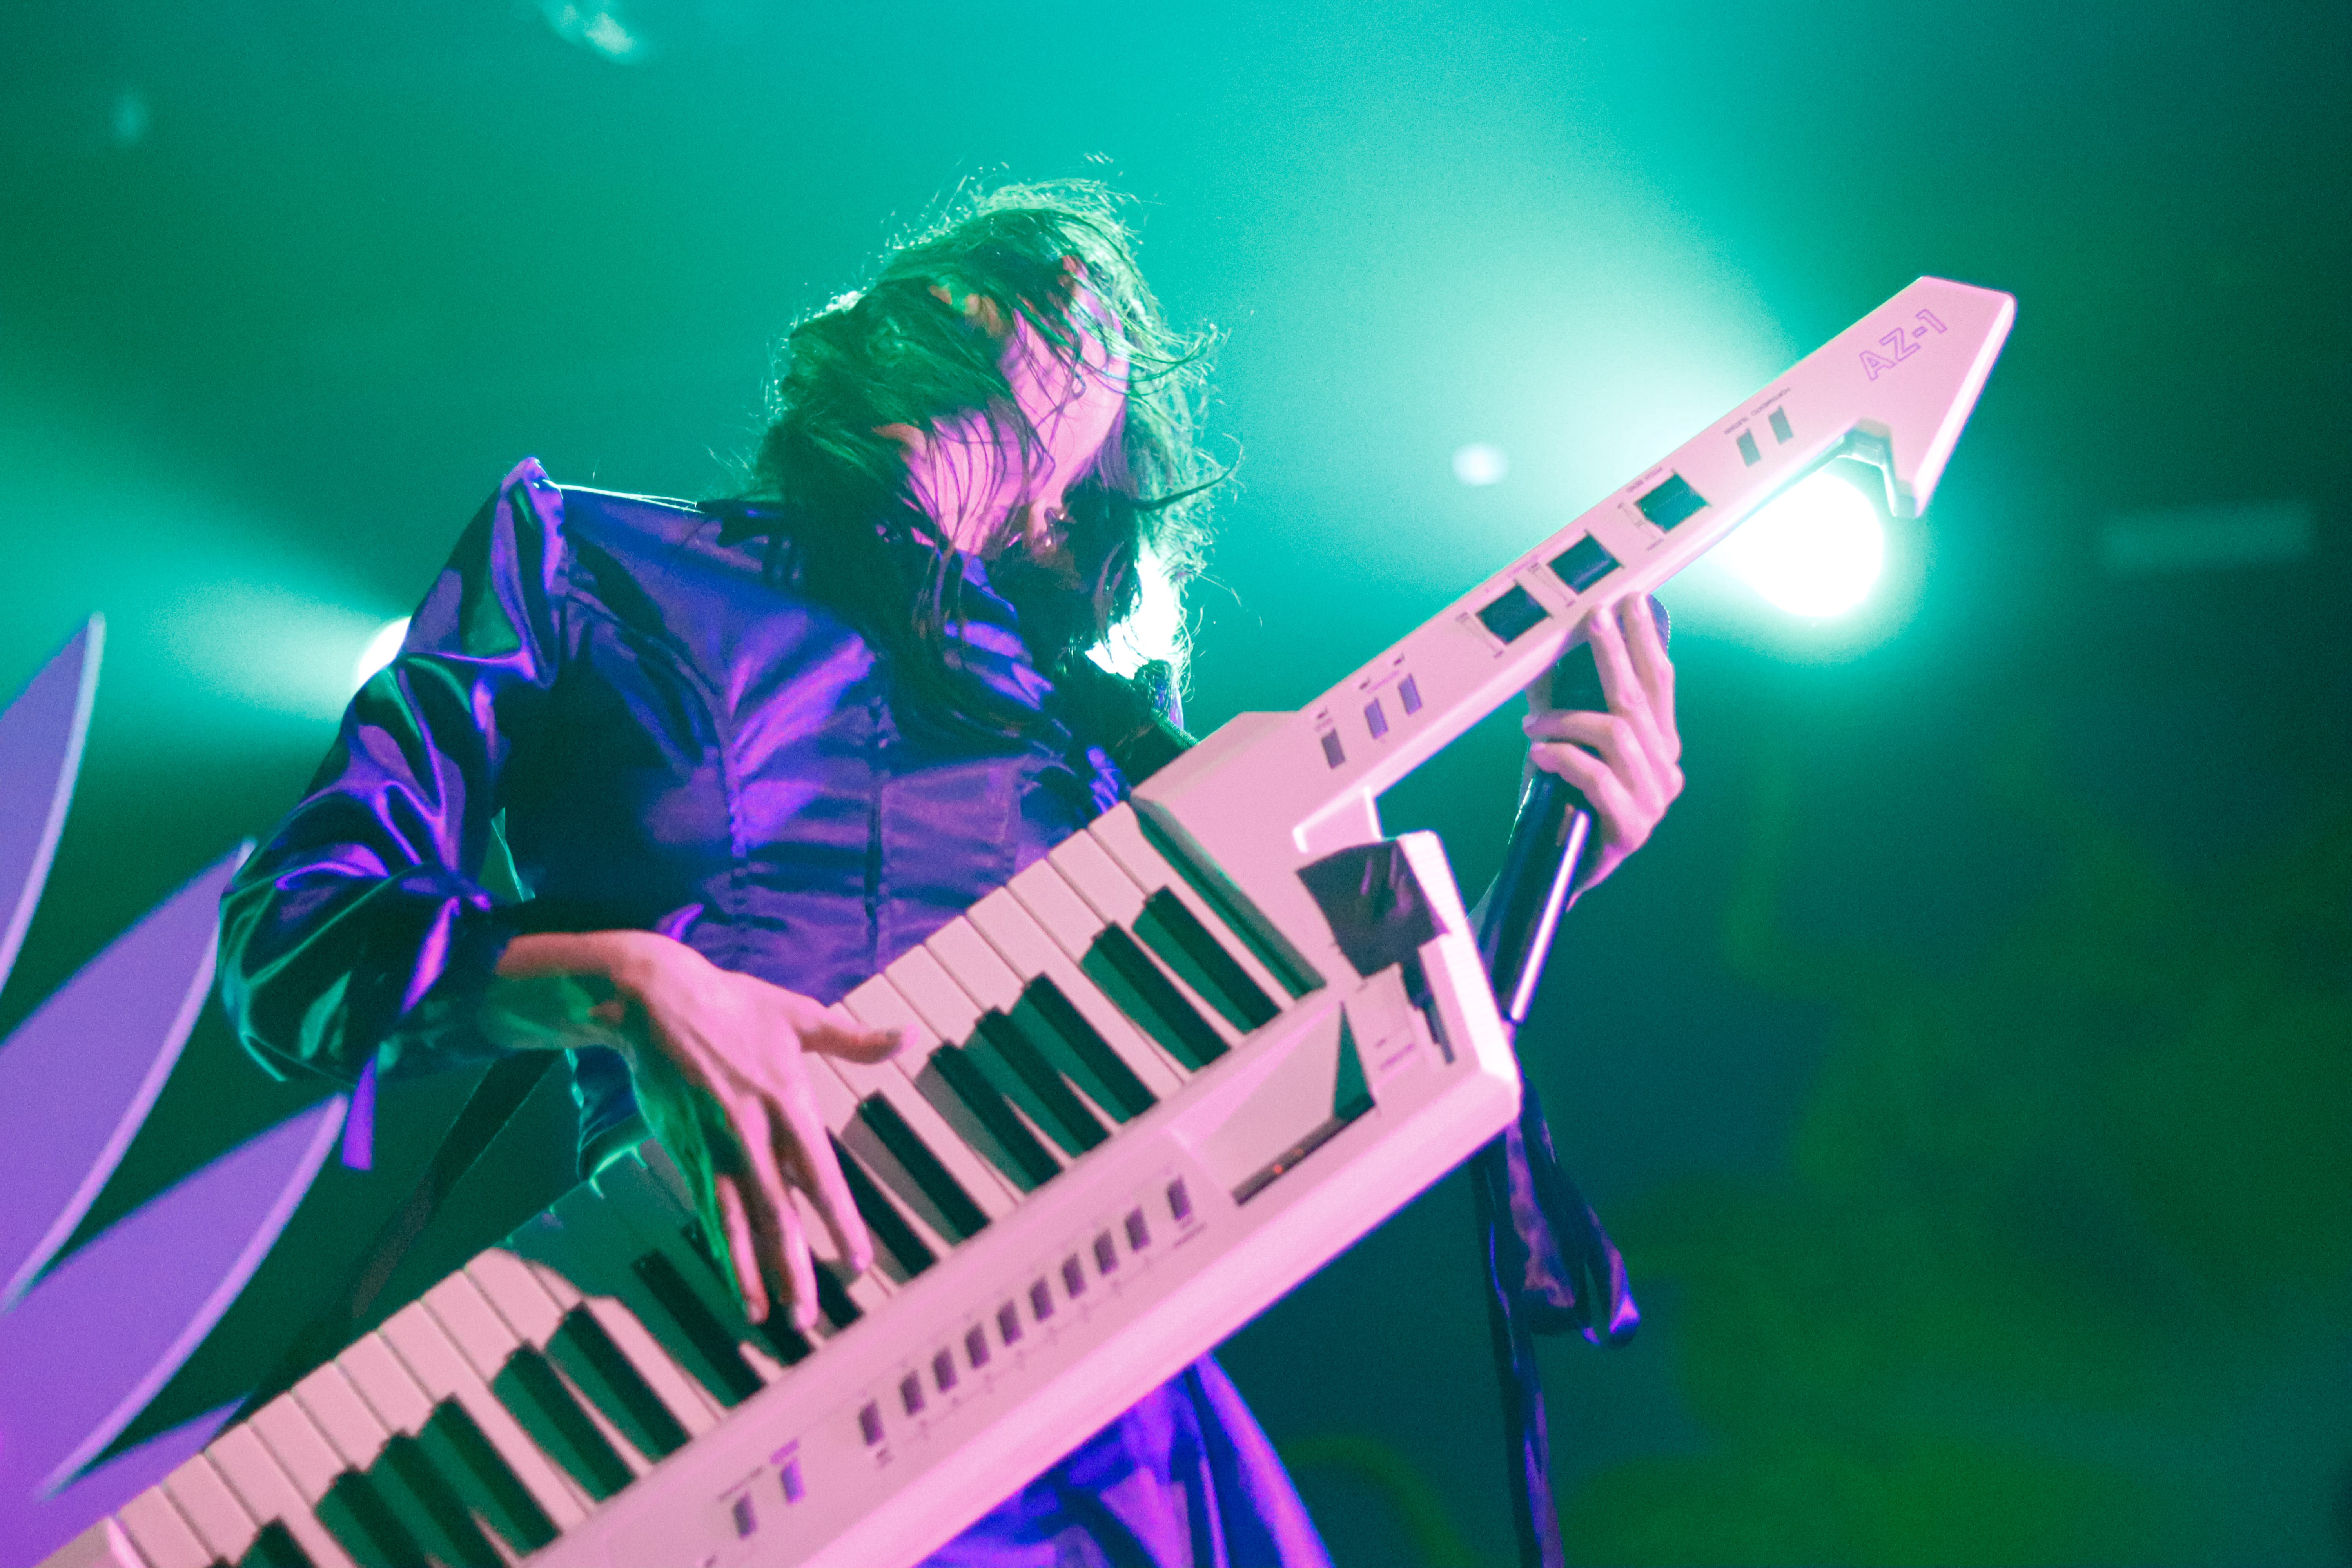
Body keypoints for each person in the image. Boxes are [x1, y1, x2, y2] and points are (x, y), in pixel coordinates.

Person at [219, 181, 1682, 1567]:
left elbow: (1360, 1113)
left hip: (1098, 1450)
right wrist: (614, 984)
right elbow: (292, 943)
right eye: (1004, 266)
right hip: (688, 1386)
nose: (1051, 274)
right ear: (876, 316)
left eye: (1093, 308)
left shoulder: (1125, 762)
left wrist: (1556, 854)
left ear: (1076, 501)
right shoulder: (581, 557)